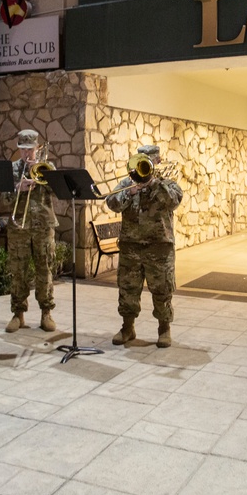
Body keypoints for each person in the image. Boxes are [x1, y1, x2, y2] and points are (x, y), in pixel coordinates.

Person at [105, 145, 183, 348]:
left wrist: (154, 184)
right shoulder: (128, 183)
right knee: (128, 289)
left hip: (159, 248)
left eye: (150, 161)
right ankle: (127, 328)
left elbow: (173, 201)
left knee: (162, 290)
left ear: (157, 162)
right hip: (131, 246)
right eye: (142, 160)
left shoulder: (167, 184)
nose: (145, 165)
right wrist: (128, 193)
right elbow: (111, 203)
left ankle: (164, 329)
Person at [4, 129, 59, 333]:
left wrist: (43, 175)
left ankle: (46, 313)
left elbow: (56, 191)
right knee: (19, 271)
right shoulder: (12, 169)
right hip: (19, 226)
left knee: (45, 269)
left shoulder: (47, 166)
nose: (27, 154)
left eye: (30, 149)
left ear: (37, 148)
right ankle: (18, 314)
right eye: (23, 149)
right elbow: (4, 199)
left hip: (43, 226)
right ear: (19, 149)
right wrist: (18, 188)